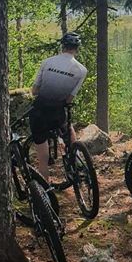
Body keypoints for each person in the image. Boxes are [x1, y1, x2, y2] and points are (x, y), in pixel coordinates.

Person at [30, 32, 88, 183]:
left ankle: (46, 190)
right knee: (68, 129)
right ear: (77, 48)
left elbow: (34, 91)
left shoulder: (47, 62)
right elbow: (69, 98)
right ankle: (76, 158)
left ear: (63, 46)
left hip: (40, 111)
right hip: (57, 112)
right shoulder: (81, 70)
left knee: (43, 158)